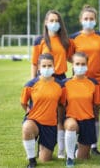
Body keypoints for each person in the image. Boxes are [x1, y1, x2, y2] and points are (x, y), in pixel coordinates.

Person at [31, 10, 74, 158]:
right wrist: (33, 82)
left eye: (57, 21)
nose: (54, 24)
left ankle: (62, 151)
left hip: (60, 79)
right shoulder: (39, 40)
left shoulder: (65, 41)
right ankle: (37, 148)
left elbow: (71, 58)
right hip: (43, 80)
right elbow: (34, 62)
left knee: (60, 116)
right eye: (52, 20)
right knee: (41, 114)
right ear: (46, 22)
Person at [70, 5, 100, 155]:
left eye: (91, 19)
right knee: (76, 110)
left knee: (95, 111)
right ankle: (74, 144)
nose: (88, 21)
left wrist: (99, 59)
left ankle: (93, 146)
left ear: (95, 20)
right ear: (81, 20)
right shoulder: (74, 38)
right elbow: (70, 56)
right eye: (86, 18)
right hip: (79, 80)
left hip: (97, 79)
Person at [21, 53, 65, 168]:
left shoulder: (60, 85)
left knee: (45, 159)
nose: (47, 68)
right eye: (44, 66)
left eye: (49, 66)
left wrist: (60, 122)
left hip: (50, 124)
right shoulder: (30, 85)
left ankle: (41, 149)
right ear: (39, 67)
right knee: (27, 127)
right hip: (34, 120)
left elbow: (61, 104)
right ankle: (31, 160)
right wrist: (27, 110)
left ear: (54, 66)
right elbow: (23, 102)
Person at [63, 52, 100, 167]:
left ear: (87, 65)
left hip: (88, 120)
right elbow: (60, 105)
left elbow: (98, 104)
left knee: (83, 158)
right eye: (77, 64)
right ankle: (70, 157)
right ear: (73, 65)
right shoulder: (65, 84)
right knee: (71, 126)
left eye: (83, 64)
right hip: (71, 119)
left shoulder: (93, 83)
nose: (80, 66)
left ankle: (75, 149)